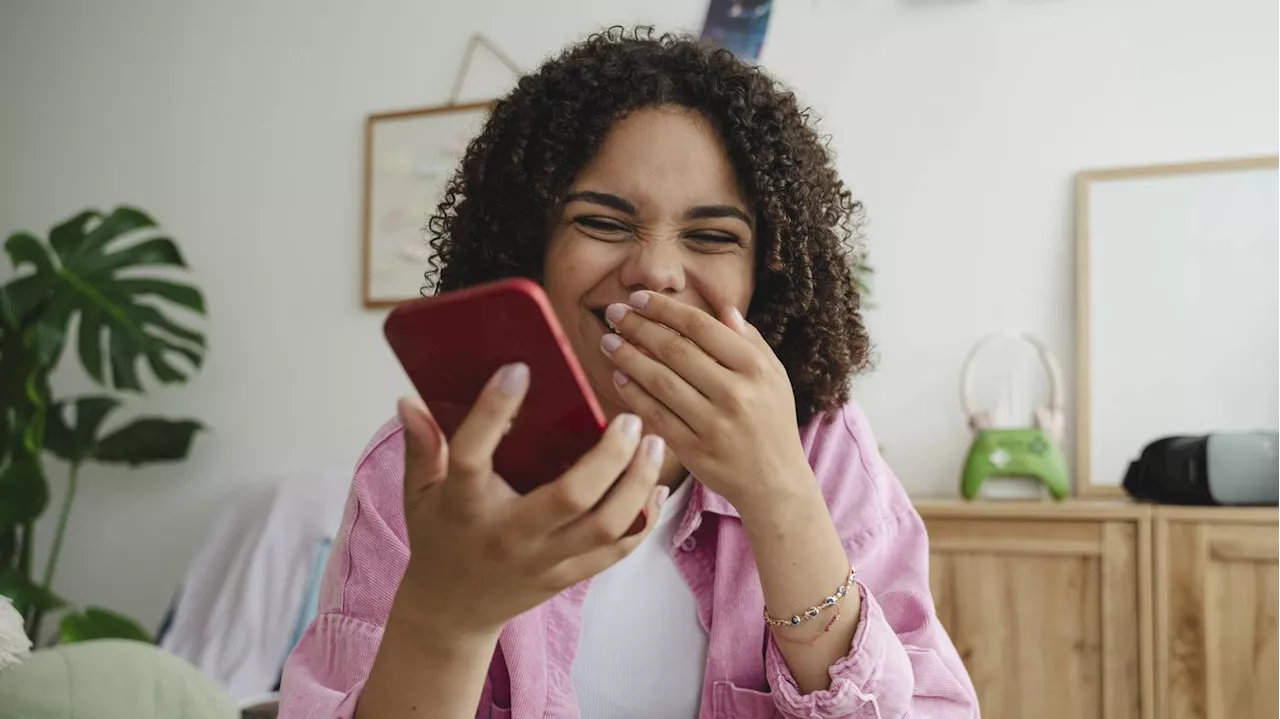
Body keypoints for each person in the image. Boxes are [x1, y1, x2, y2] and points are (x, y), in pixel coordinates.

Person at [279, 27, 978, 719]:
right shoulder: (428, 470)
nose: (655, 271)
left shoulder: (825, 449)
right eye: (604, 223)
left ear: (767, 276)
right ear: (533, 249)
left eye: (710, 236)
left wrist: (781, 493)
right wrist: (447, 616)